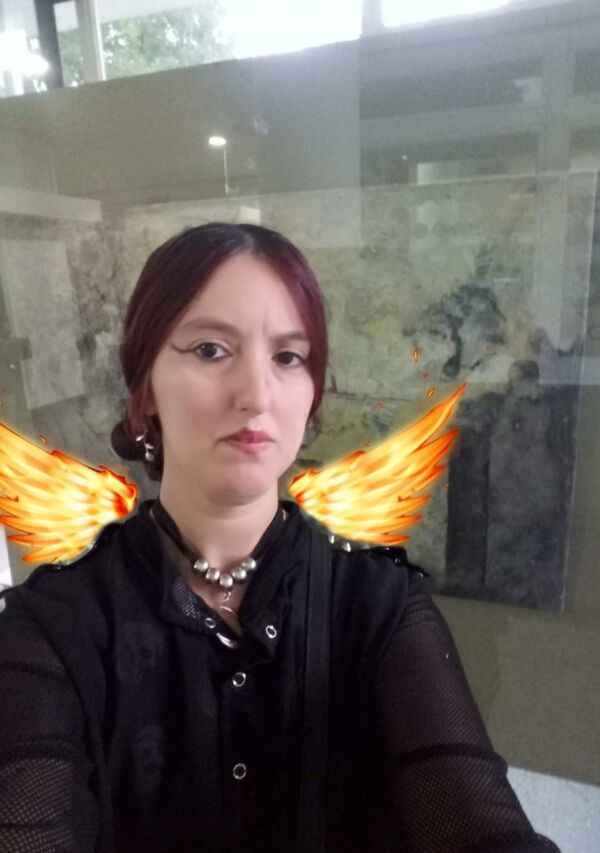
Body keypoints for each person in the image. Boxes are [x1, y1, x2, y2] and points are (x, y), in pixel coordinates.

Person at [0, 223, 561, 852]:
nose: (257, 394)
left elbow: (478, 825)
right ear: (147, 386)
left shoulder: (378, 607)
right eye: (211, 349)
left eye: (288, 357)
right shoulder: (53, 626)